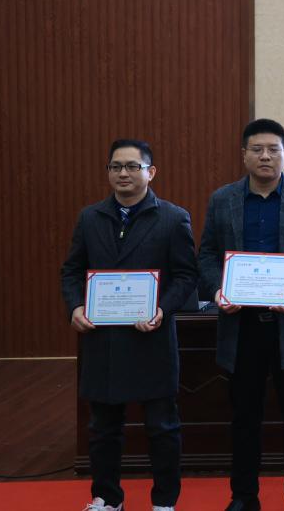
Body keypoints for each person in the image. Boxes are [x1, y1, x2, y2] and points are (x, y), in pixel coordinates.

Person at [198, 119, 284, 511]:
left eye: (273, 149)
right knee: (244, 419)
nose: (265, 156)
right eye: (257, 149)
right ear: (244, 155)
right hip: (241, 327)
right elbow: (206, 255)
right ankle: (244, 497)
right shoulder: (223, 199)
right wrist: (218, 290)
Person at [61, 139, 198, 511]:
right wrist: (75, 306)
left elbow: (186, 276)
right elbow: (72, 271)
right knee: (103, 428)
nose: (123, 173)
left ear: (150, 172)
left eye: (132, 166)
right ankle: (107, 498)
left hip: (151, 337)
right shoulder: (90, 218)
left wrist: (162, 309)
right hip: (102, 339)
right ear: (108, 172)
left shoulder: (172, 218)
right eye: (116, 167)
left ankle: (164, 502)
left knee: (162, 427)